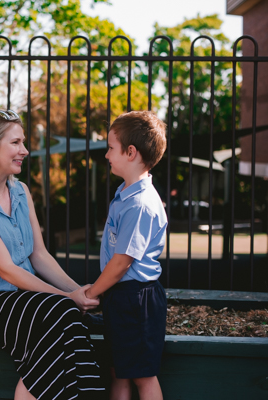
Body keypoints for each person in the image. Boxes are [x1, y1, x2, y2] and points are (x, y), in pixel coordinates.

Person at [0, 109, 106, 400]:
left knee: (68, 316)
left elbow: (39, 254)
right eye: (16, 143)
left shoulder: (21, 191)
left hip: (24, 299)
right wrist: (66, 298)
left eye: (23, 142)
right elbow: (6, 269)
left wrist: (77, 292)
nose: (24, 150)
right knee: (62, 311)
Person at [84, 111, 168, 400]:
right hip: (123, 297)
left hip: (137, 300)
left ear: (130, 152)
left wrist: (93, 291)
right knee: (118, 370)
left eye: (110, 147)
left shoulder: (140, 204)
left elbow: (122, 262)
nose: (106, 154)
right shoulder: (125, 194)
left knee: (143, 375)